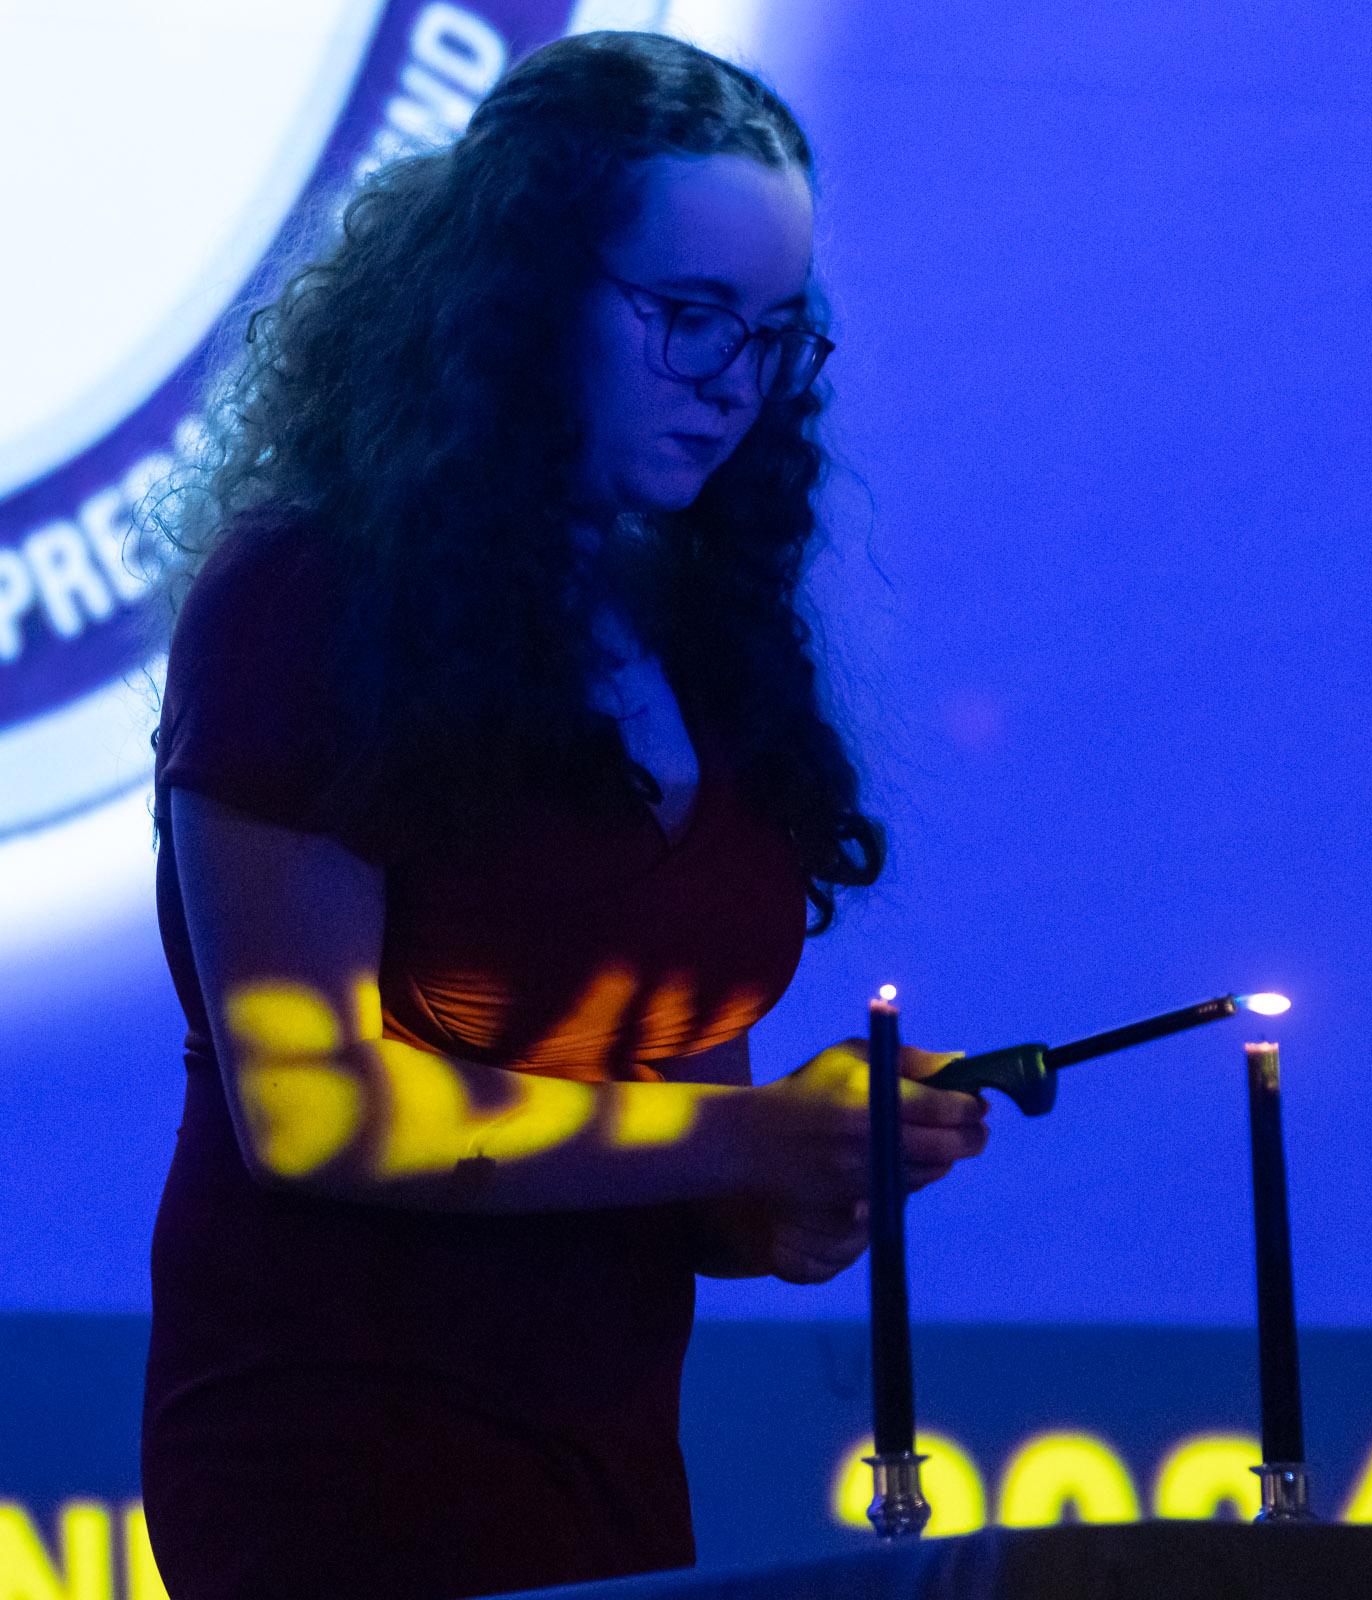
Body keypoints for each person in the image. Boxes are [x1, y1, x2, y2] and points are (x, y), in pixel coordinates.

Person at [139, 31, 990, 1600]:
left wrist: (816, 1171)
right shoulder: (303, 603)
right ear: (524, 297)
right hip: (332, 1457)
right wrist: (744, 1132)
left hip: (605, 1458)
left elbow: (674, 1158)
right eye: (684, 319)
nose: (732, 387)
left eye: (774, 335)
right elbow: (315, 1115)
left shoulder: (707, 624)